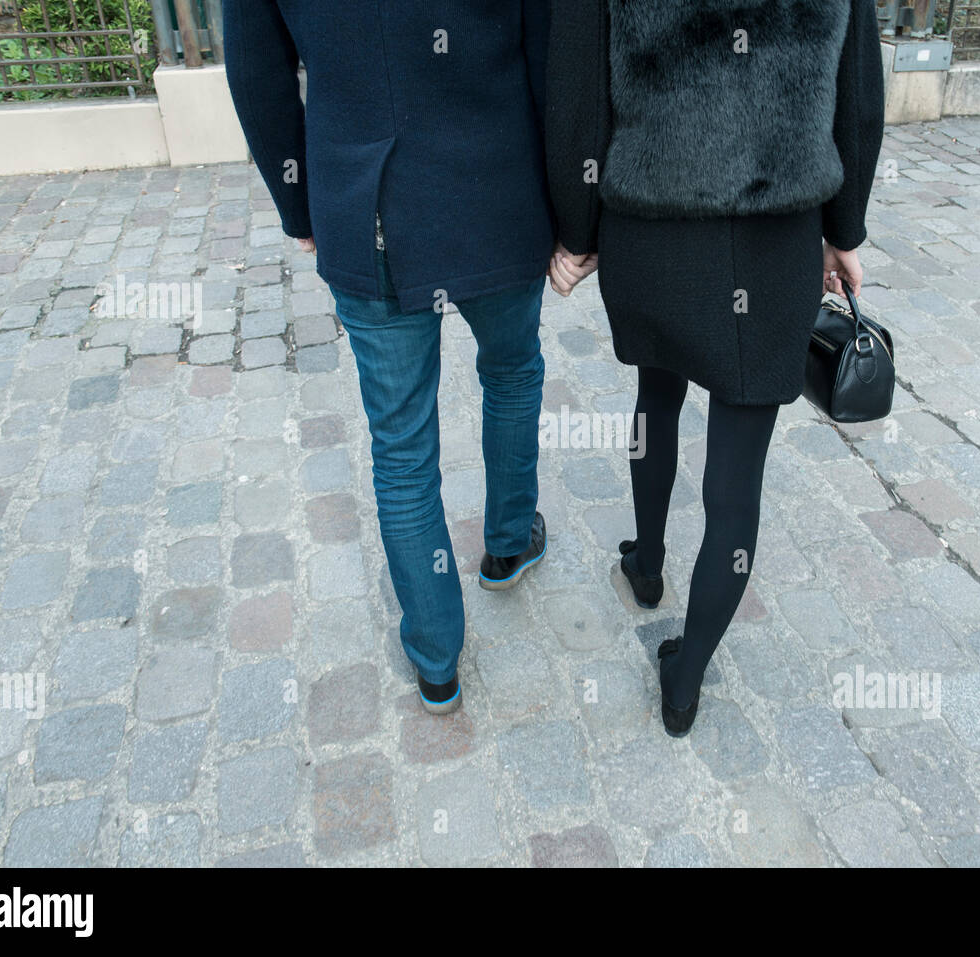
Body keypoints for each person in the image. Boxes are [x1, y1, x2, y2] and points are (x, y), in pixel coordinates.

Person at [545, 0, 884, 735]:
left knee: (655, 394)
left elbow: (573, 86)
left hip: (650, 230)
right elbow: (857, 91)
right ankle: (685, 677)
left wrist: (576, 226)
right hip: (775, 241)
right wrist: (845, 227)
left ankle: (647, 561)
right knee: (737, 484)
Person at [223, 1, 555, 714]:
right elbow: (550, 51)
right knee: (512, 370)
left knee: (402, 447)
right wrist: (568, 203)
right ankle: (507, 541)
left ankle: (437, 657)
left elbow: (257, 73)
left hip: (369, 204)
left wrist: (300, 207)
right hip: (499, 192)